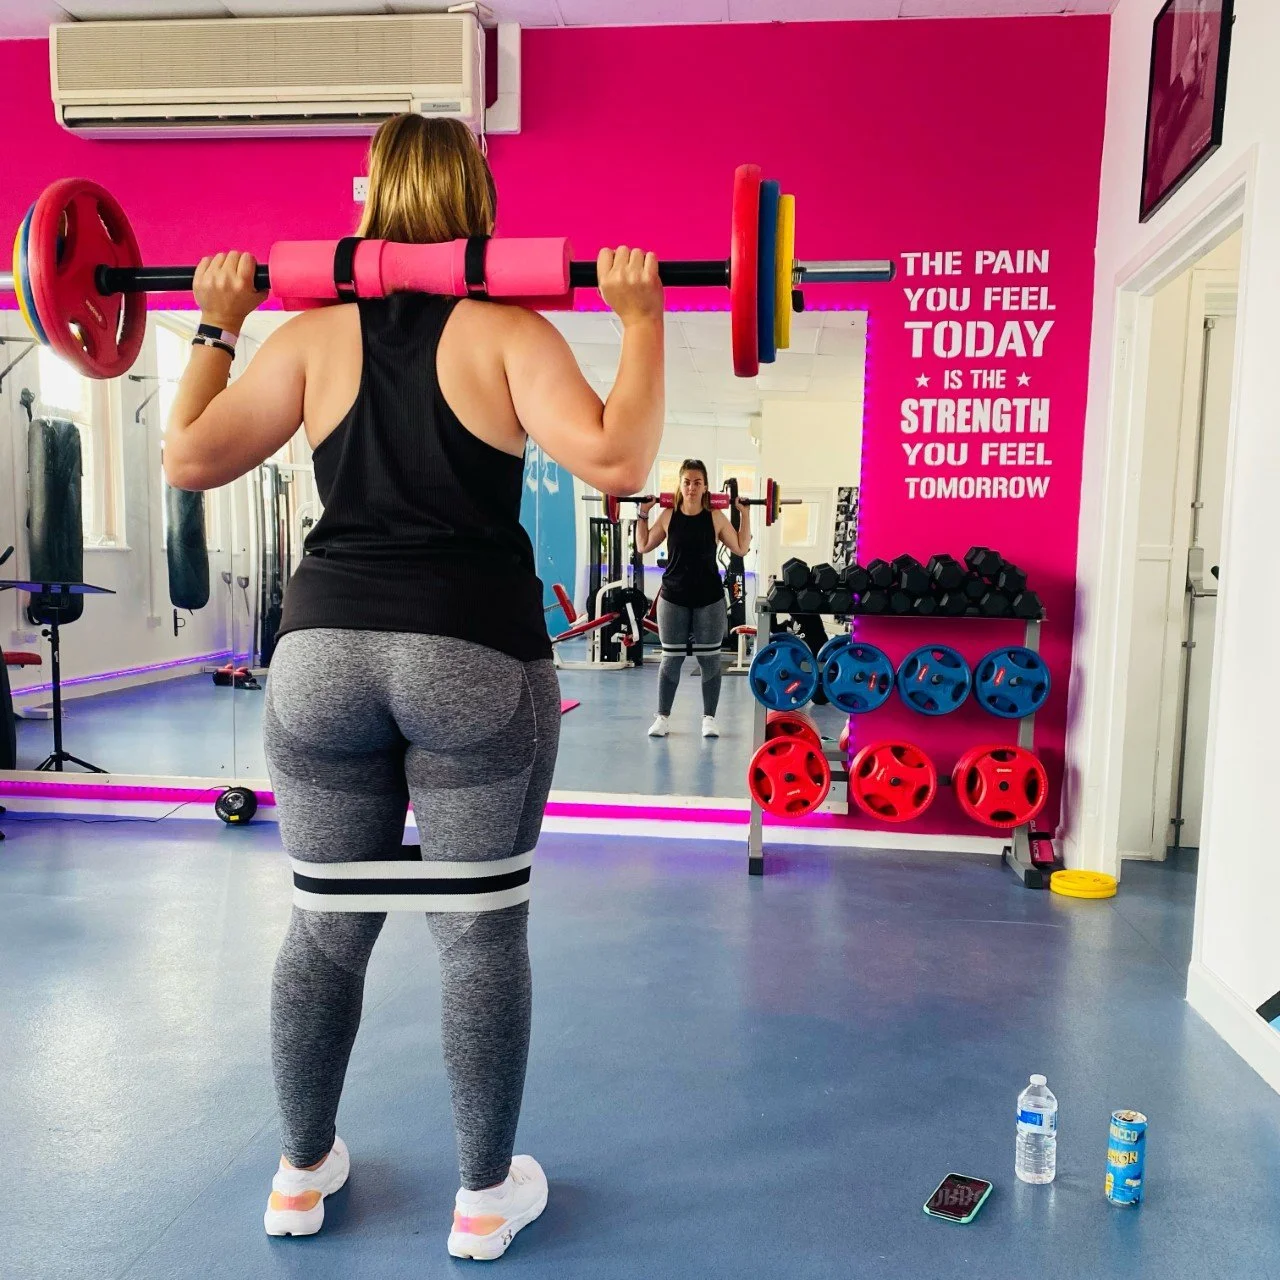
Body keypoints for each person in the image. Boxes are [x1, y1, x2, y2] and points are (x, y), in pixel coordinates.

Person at [162, 114, 664, 1260]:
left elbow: (185, 453)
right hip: (468, 655)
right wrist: (643, 321)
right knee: (476, 934)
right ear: (475, 205)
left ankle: (299, 1172)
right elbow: (620, 463)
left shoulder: (307, 336)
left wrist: (215, 323)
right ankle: (483, 1197)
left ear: (372, 200)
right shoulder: (507, 330)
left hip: (322, 655)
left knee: (326, 927)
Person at [634, 460, 750, 739]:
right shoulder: (668, 515)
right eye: (687, 481)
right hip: (673, 597)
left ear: (705, 486)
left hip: (709, 599)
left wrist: (744, 514)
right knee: (670, 659)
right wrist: (642, 515)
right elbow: (643, 545)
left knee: (709, 660)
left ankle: (709, 719)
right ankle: (662, 718)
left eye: (697, 482)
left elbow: (741, 547)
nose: (691, 487)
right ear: (680, 484)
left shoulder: (716, 516)